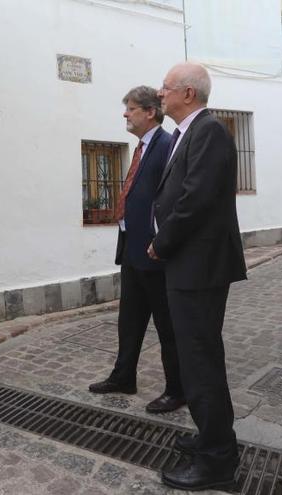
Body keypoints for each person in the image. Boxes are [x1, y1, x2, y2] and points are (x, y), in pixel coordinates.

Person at [149, 63, 247, 491]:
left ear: (187, 93)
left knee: (200, 360)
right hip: (189, 265)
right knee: (196, 358)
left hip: (198, 266)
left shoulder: (207, 131)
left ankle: (217, 462)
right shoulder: (190, 131)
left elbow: (195, 200)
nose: (159, 93)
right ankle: (212, 438)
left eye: (165, 88)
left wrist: (161, 241)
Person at [88, 86, 185, 415]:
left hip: (154, 254)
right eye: (126, 108)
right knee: (128, 320)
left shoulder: (166, 145)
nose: (125, 114)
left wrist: (162, 242)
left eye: (130, 109)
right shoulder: (143, 146)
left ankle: (177, 389)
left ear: (150, 112)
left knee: (167, 324)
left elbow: (171, 200)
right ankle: (123, 376)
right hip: (132, 251)